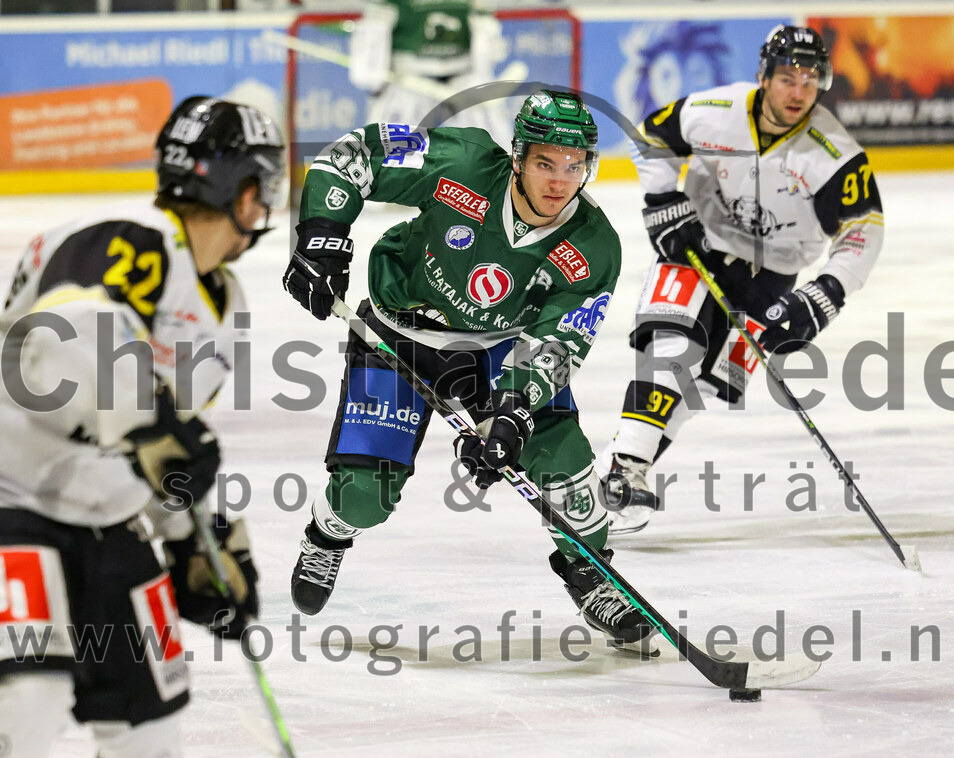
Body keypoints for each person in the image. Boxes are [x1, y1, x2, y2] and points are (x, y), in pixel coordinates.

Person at [282, 89, 658, 657]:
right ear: (516, 157)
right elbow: (354, 156)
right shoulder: (458, 163)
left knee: (568, 470)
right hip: (397, 334)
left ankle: (590, 572)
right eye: (544, 163)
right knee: (364, 498)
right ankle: (326, 536)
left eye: (575, 165)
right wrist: (321, 237)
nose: (560, 181)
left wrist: (512, 415)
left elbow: (559, 341)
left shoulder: (593, 244)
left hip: (499, 350)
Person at [0, 96, 282, 757]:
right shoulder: (130, 235)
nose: (265, 201)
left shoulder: (223, 300)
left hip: (110, 523)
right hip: (13, 502)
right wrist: (156, 430)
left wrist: (195, 540)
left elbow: (167, 446)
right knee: (26, 704)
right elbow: (69, 333)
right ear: (236, 187)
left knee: (149, 734)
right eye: (261, 184)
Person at [599, 24, 884, 533]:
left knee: (707, 385)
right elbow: (649, 139)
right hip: (696, 248)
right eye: (787, 77)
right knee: (671, 348)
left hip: (772, 276)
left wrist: (827, 291)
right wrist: (665, 202)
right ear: (764, 76)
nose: (798, 91)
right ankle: (626, 470)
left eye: (810, 79)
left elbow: (863, 232)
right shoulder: (715, 111)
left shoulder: (834, 154)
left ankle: (620, 468)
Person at [349, 0, 510, 139]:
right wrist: (374, 74)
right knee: (385, 147)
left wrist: (482, 72)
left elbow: (484, 28)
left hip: (461, 76)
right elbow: (374, 29)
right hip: (409, 81)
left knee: (490, 139)